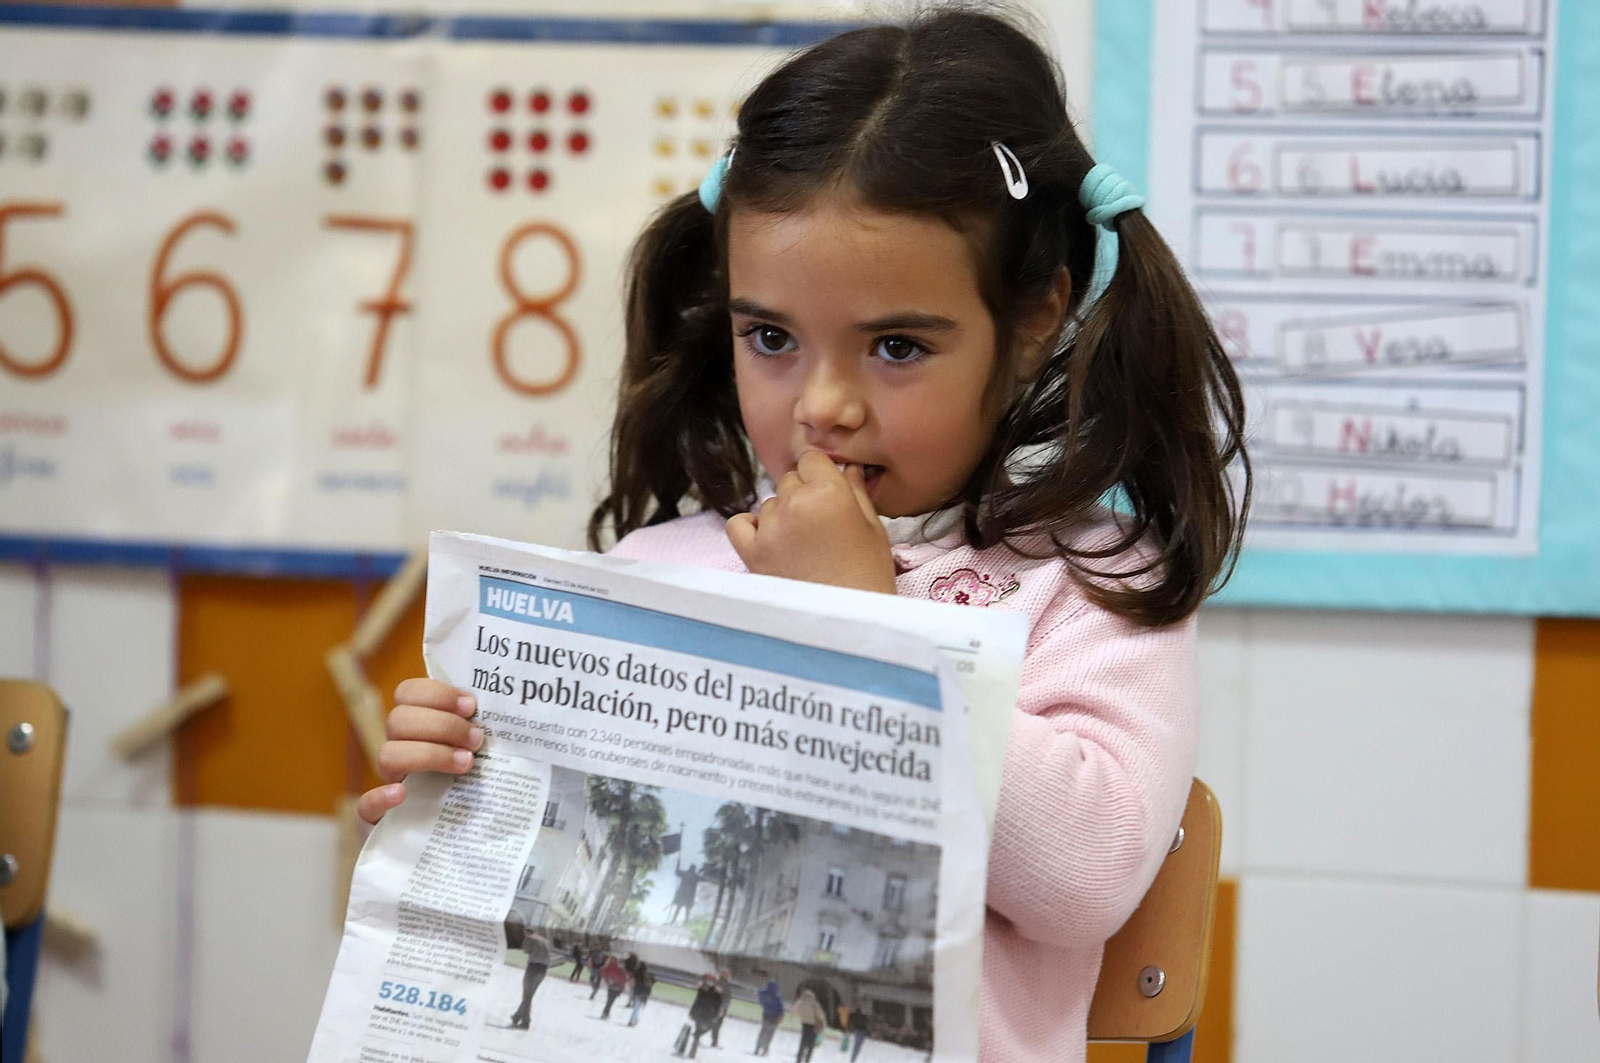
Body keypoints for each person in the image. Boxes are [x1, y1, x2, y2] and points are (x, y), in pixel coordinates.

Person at [357, 9, 1248, 1062]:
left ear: (1036, 318)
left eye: (898, 346)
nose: (822, 406)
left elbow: (1088, 881)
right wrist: (457, 812)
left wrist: (868, 620)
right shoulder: (657, 571)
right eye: (770, 337)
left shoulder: (1092, 586)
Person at [507, 928, 550, 1030]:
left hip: (533, 968)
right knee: (529, 995)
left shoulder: (530, 939)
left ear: (527, 932)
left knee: (527, 996)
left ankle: (526, 1022)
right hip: (543, 970)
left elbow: (525, 950)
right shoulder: (546, 941)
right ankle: (517, 1017)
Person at [676, 972, 724, 1058]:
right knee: (700, 1030)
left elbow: (717, 1004)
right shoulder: (706, 990)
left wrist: (716, 1015)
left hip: (706, 1014)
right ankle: (693, 1050)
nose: (709, 981)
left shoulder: (712, 991)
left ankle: (692, 1048)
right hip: (703, 1013)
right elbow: (698, 1001)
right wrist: (692, 1012)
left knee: (702, 1030)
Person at [793, 990, 827, 1063]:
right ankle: (807, 1060)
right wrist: (823, 1023)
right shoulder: (814, 1004)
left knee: (803, 1042)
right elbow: (820, 1014)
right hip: (813, 1025)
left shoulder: (800, 1002)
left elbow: (795, 1011)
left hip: (804, 1024)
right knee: (811, 1045)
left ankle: (798, 1059)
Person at [753, 979, 784, 1055]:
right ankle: (765, 1049)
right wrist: (781, 1017)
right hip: (774, 1017)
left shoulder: (763, 993)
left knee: (763, 1032)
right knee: (770, 1034)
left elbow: (760, 1000)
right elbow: (780, 1008)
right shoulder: (776, 996)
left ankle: (757, 1048)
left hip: (766, 1015)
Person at [598, 954, 629, 1019]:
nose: (613, 961)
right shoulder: (608, 967)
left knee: (611, 1001)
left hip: (617, 987)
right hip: (611, 986)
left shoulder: (619, 968)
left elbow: (624, 978)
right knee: (609, 1001)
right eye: (612, 960)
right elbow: (603, 973)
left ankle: (606, 1013)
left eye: (614, 960)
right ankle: (605, 1013)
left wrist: (622, 987)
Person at [709, 968, 733, 1047]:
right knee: (716, 1025)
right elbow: (726, 998)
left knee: (713, 1024)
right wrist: (724, 1008)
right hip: (720, 1007)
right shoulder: (725, 984)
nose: (728, 976)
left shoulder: (718, 982)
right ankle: (714, 1041)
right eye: (727, 975)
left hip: (717, 1007)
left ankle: (713, 1041)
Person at [627, 962, 655, 1027]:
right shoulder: (646, 976)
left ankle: (634, 1020)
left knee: (636, 1007)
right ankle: (632, 1021)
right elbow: (650, 985)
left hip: (636, 991)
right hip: (643, 993)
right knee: (637, 1007)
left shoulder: (636, 974)